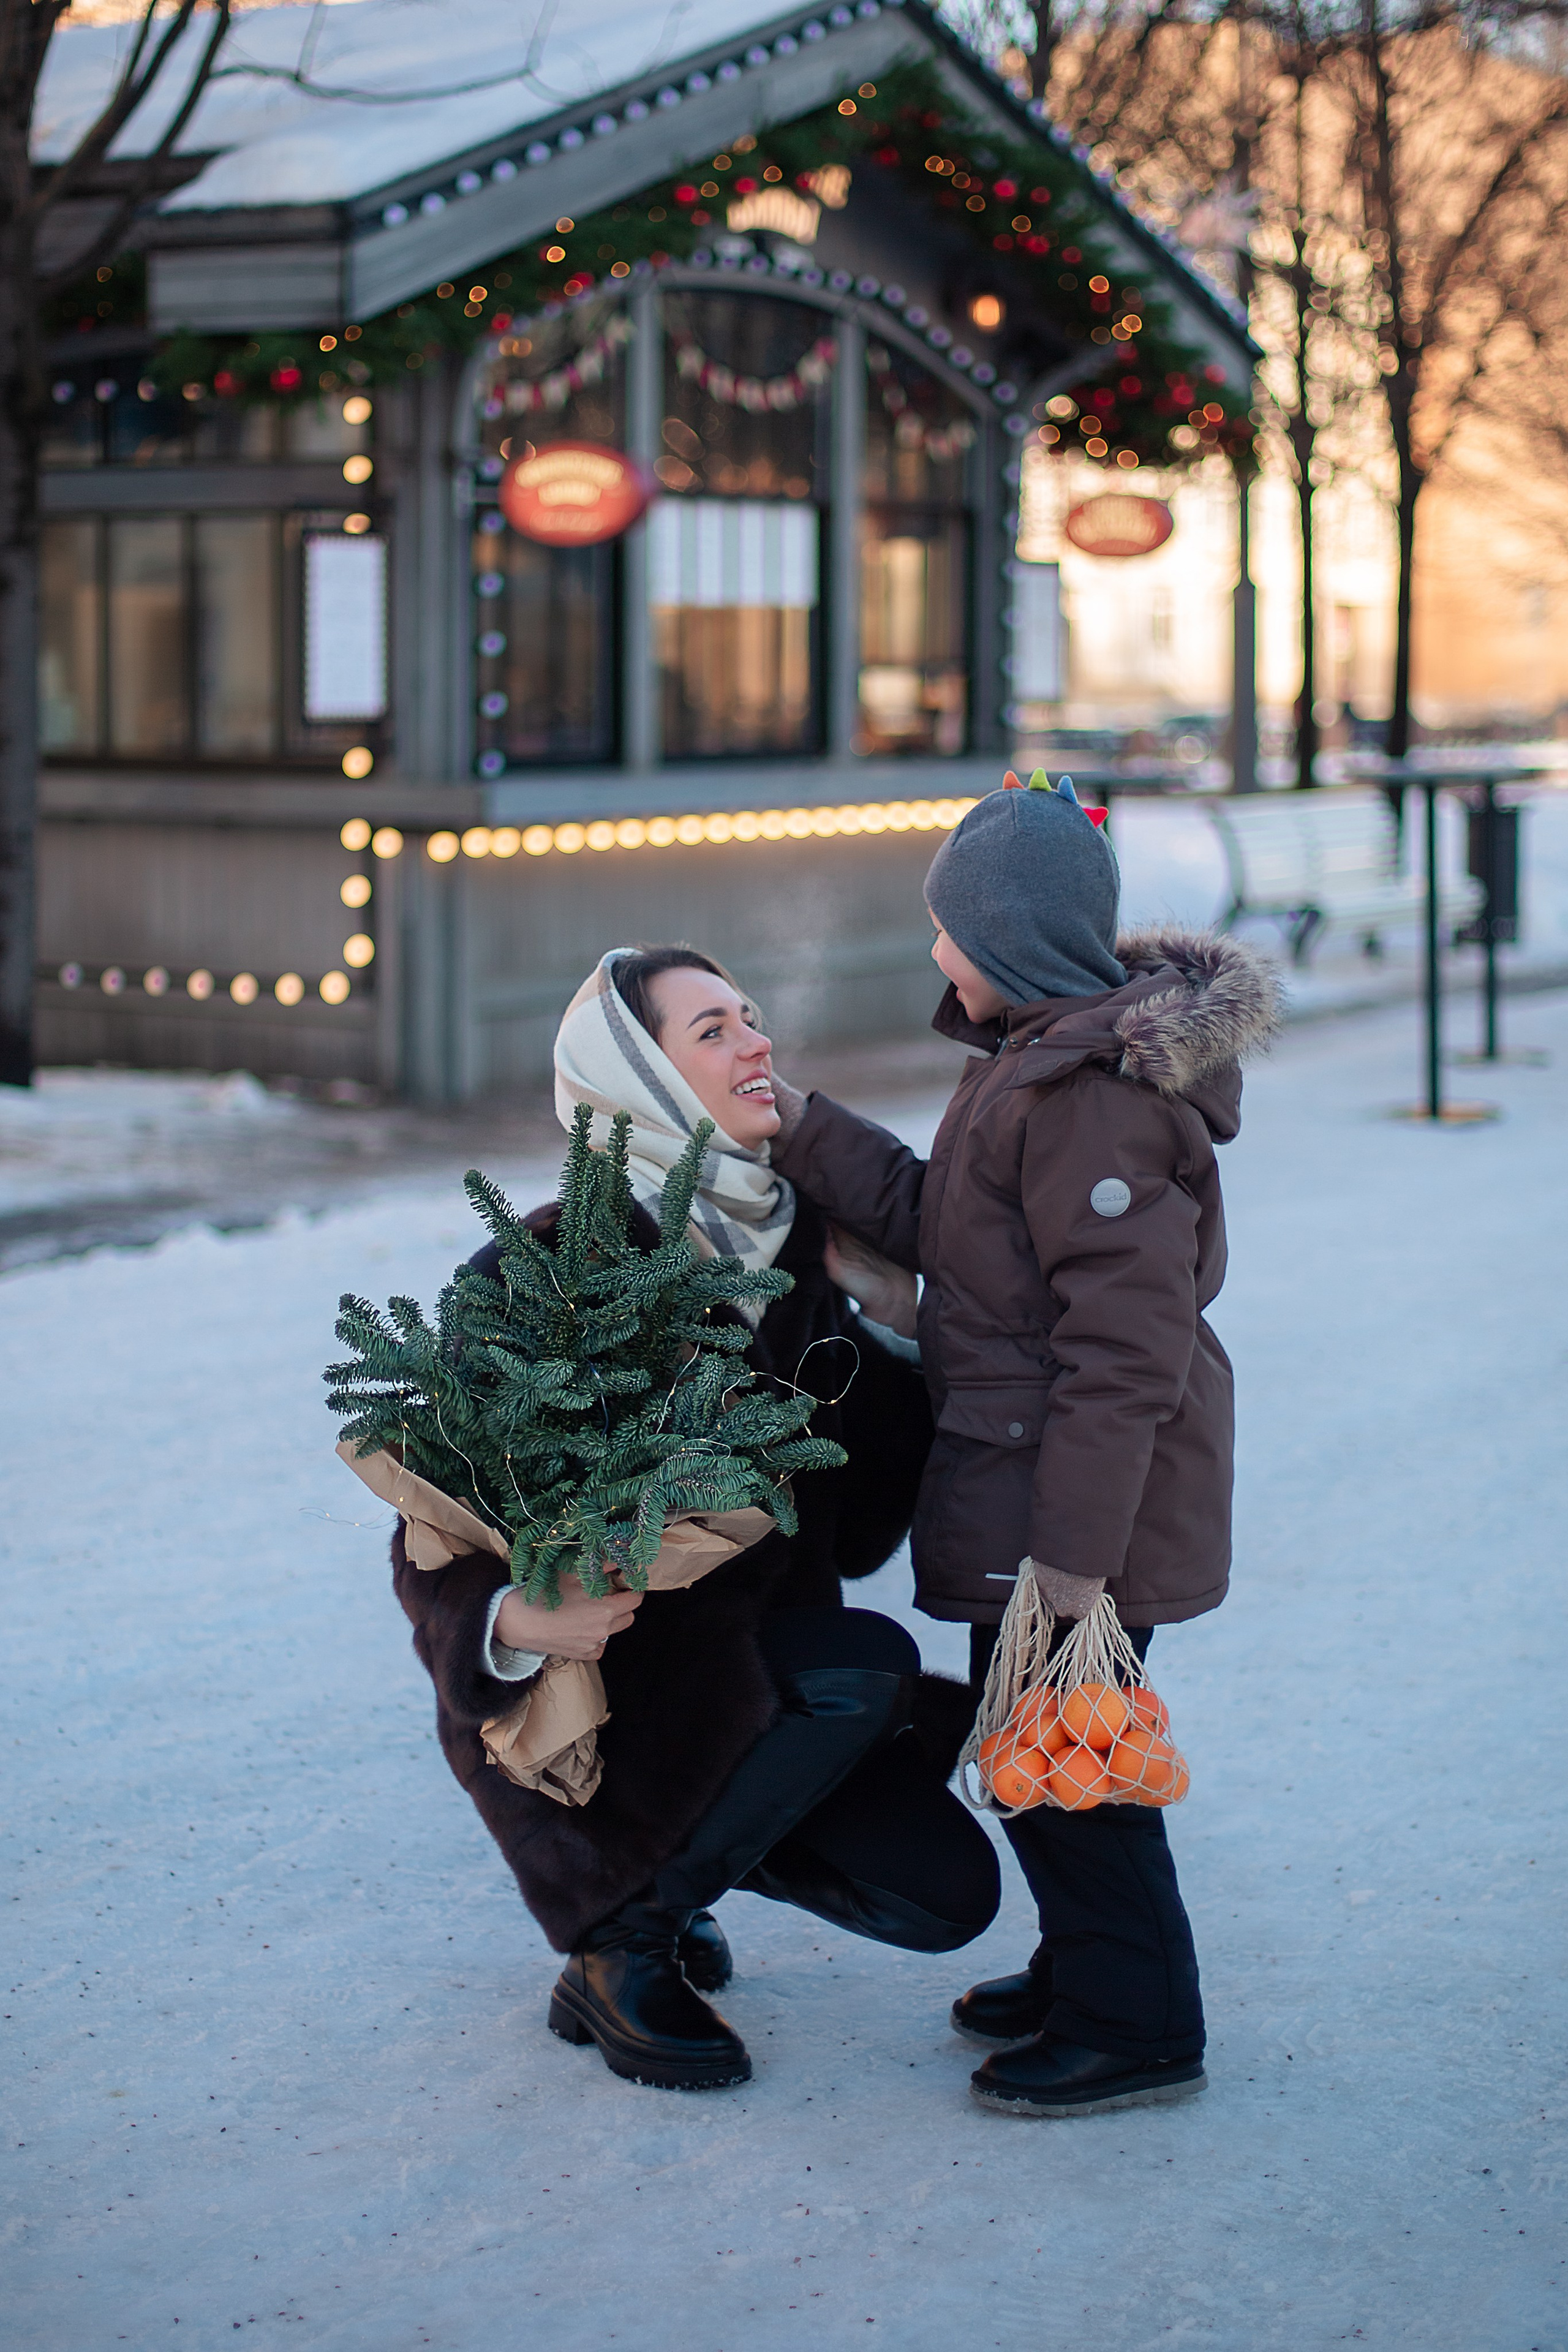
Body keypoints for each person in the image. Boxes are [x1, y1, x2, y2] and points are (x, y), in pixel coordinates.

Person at [389, 944, 998, 2090]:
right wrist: (515, 1622)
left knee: (940, 1896)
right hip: (601, 1705)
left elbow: (860, 1532)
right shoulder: (546, 1268)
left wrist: (895, 1327)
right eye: (711, 1030)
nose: (756, 1042)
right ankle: (618, 1942)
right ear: (633, 1076)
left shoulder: (808, 1254)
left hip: (760, 1686)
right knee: (865, 1664)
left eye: (753, 1017)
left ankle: (670, 1870)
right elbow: (434, 1528)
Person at [768, 775, 1281, 2117]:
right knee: (1040, 1750)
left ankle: (1136, 2022)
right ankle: (1082, 1969)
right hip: (1040, 1492)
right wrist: (802, 1132)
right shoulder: (1028, 1068)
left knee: (1074, 1773)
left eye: (946, 929)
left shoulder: (1090, 1104)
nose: (933, 952)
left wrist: (1072, 1565)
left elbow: (1126, 1359)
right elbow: (946, 1226)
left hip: (1083, 1514)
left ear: (1004, 942)